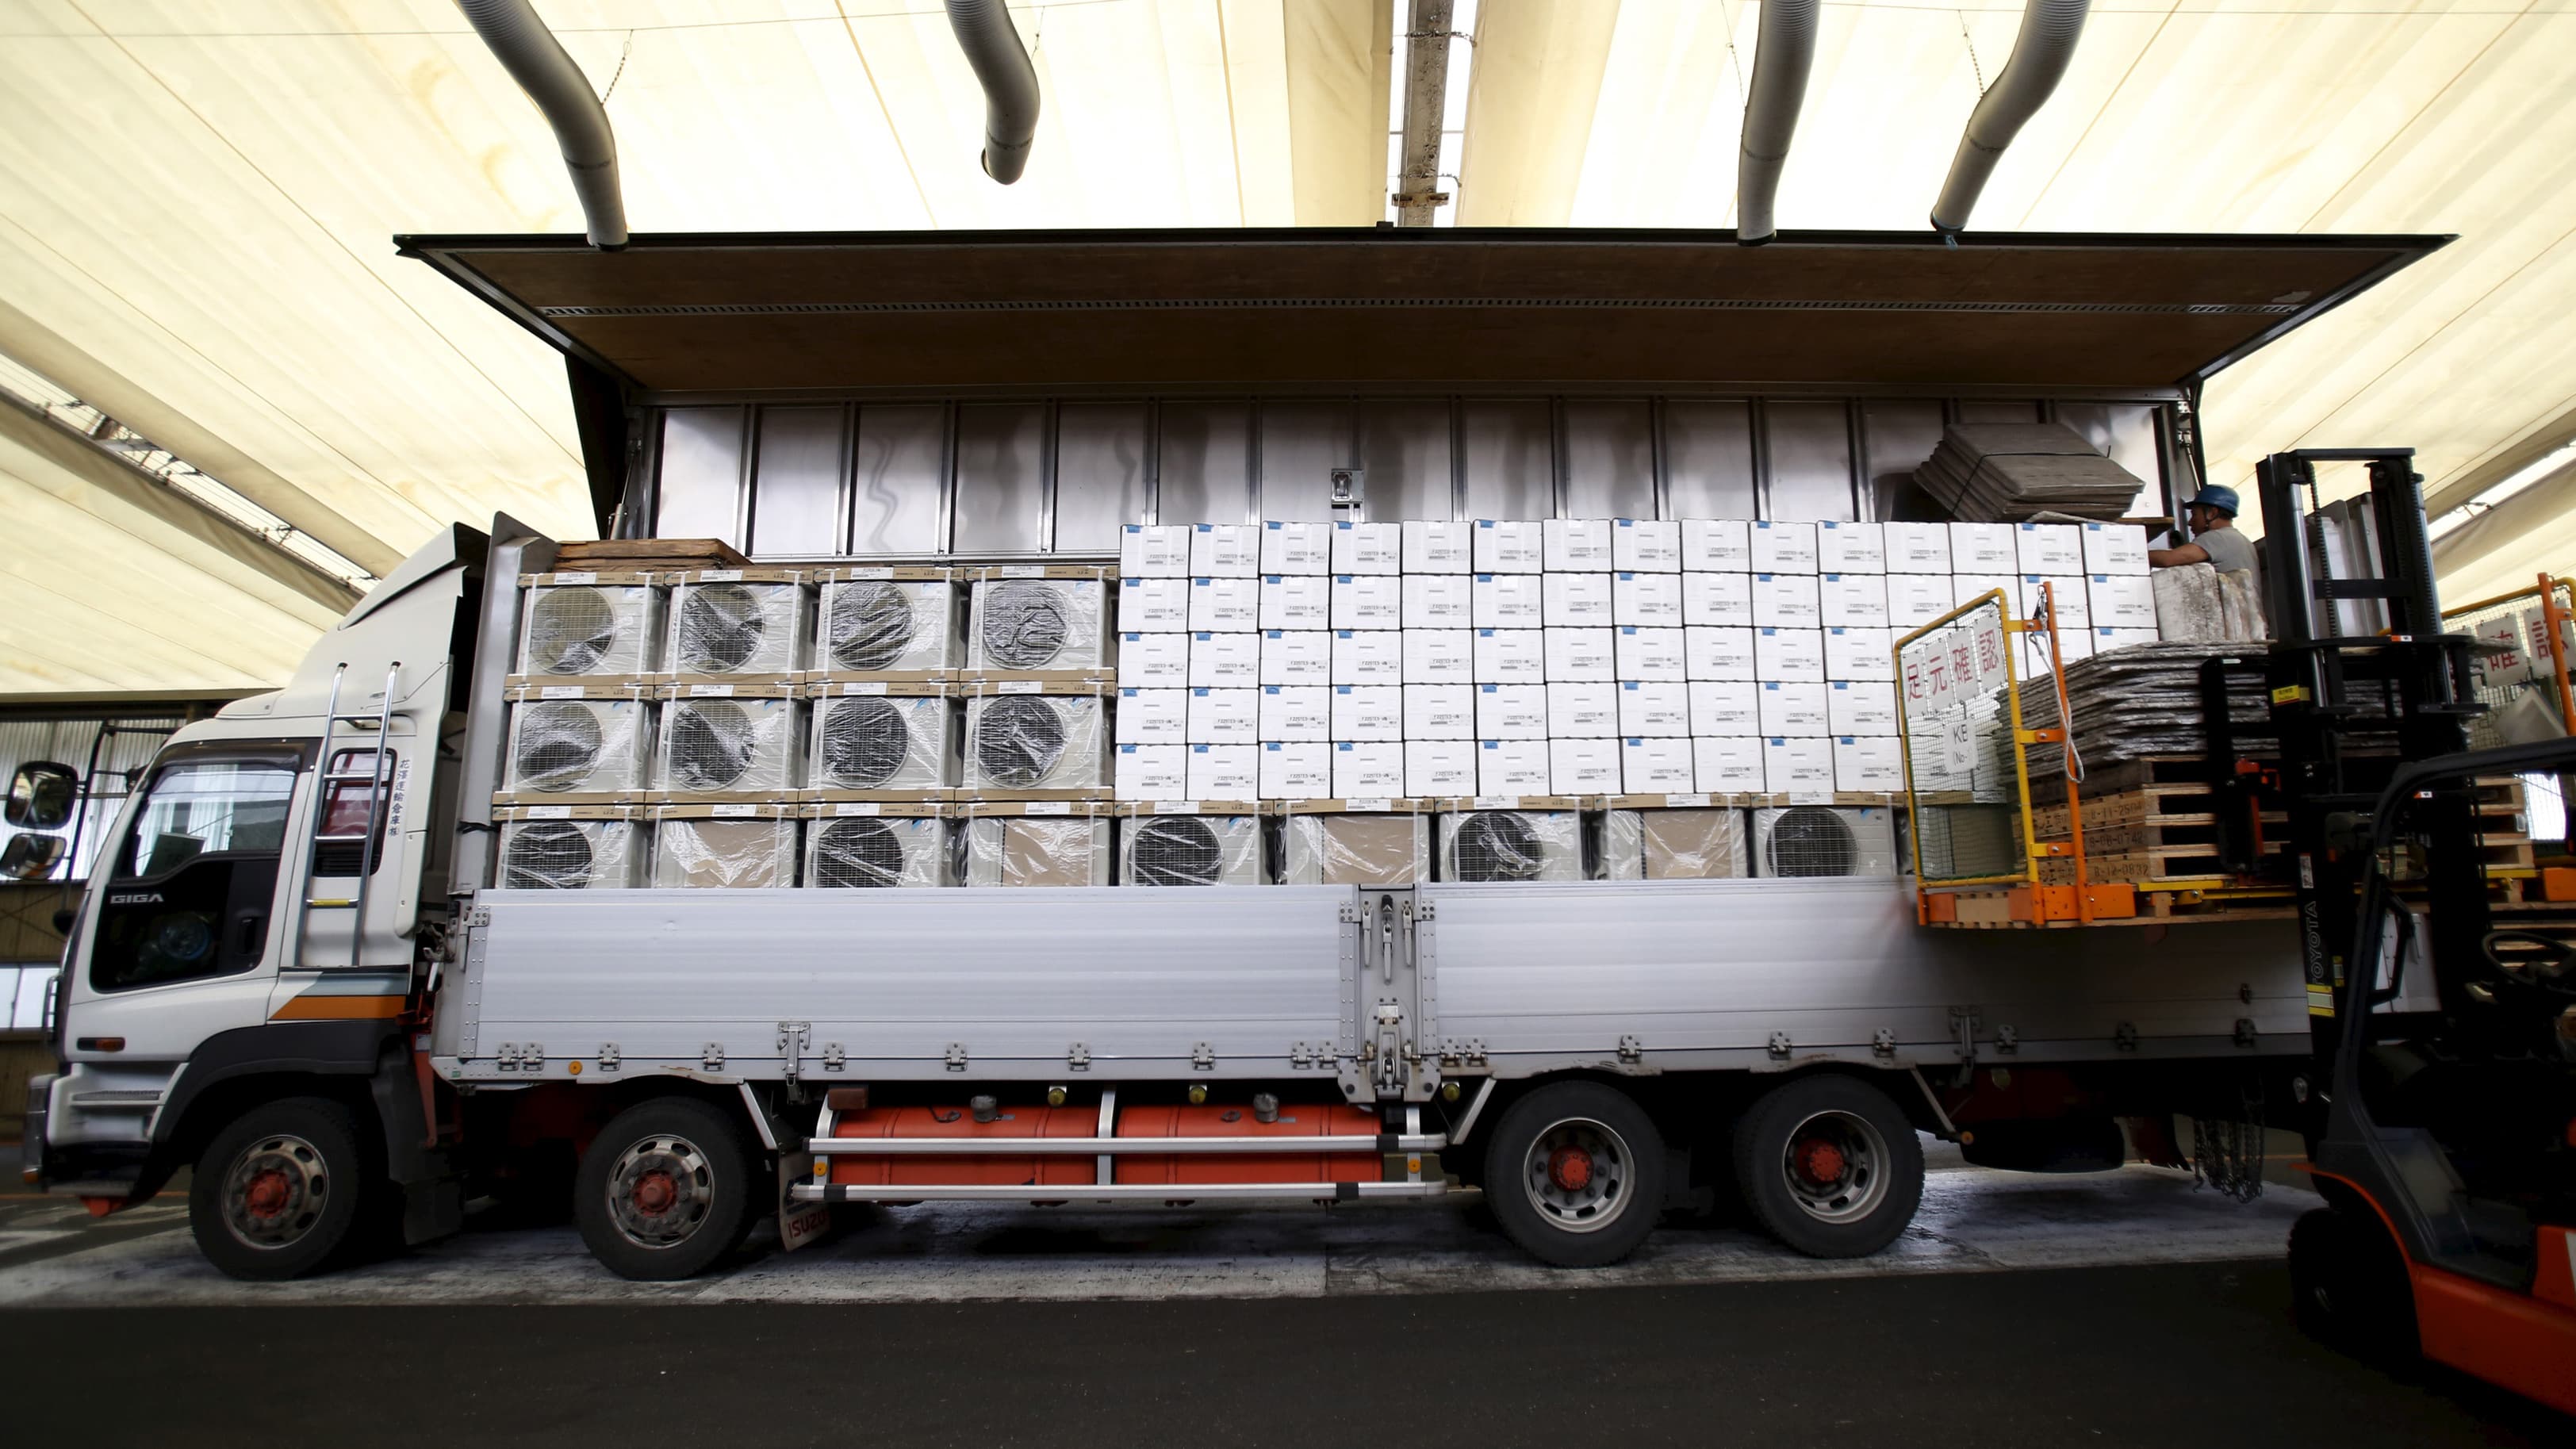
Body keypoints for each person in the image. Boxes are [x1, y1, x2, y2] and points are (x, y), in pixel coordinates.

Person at [2149, 485, 2256, 573]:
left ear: (2211, 513)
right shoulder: (2243, 541)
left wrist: (2136, 556)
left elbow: (2168, 559)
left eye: (2194, 515)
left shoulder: (2218, 537)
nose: (2190, 522)